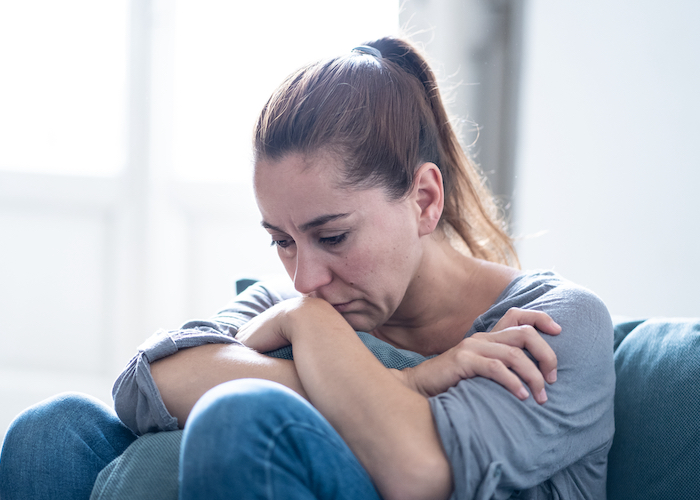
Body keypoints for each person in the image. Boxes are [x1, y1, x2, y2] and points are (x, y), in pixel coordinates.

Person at [0, 37, 615, 500]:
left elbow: (416, 466)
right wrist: (409, 380)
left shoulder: (556, 324)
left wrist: (309, 332)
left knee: (239, 419)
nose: (304, 280)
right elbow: (145, 384)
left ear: (425, 200)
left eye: (333, 235)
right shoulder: (301, 300)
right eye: (282, 241)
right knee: (50, 432)